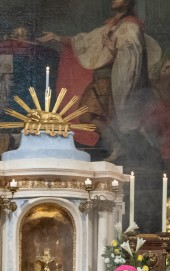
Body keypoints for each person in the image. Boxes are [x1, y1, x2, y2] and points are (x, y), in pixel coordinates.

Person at [38, 0, 158, 160]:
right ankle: (118, 145)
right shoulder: (113, 24)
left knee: (107, 117)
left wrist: (114, 50)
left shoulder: (130, 25)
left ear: (128, 2)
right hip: (101, 83)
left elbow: (133, 55)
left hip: (113, 83)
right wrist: (56, 37)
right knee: (90, 116)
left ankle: (133, 148)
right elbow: (84, 42)